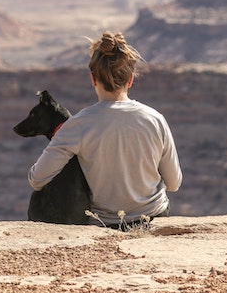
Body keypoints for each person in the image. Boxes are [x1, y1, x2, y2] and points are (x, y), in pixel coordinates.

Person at [28, 31, 182, 229]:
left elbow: (36, 179)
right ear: (130, 80)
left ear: (93, 78)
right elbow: (174, 183)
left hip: (106, 224)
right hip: (154, 218)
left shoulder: (78, 125)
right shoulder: (155, 119)